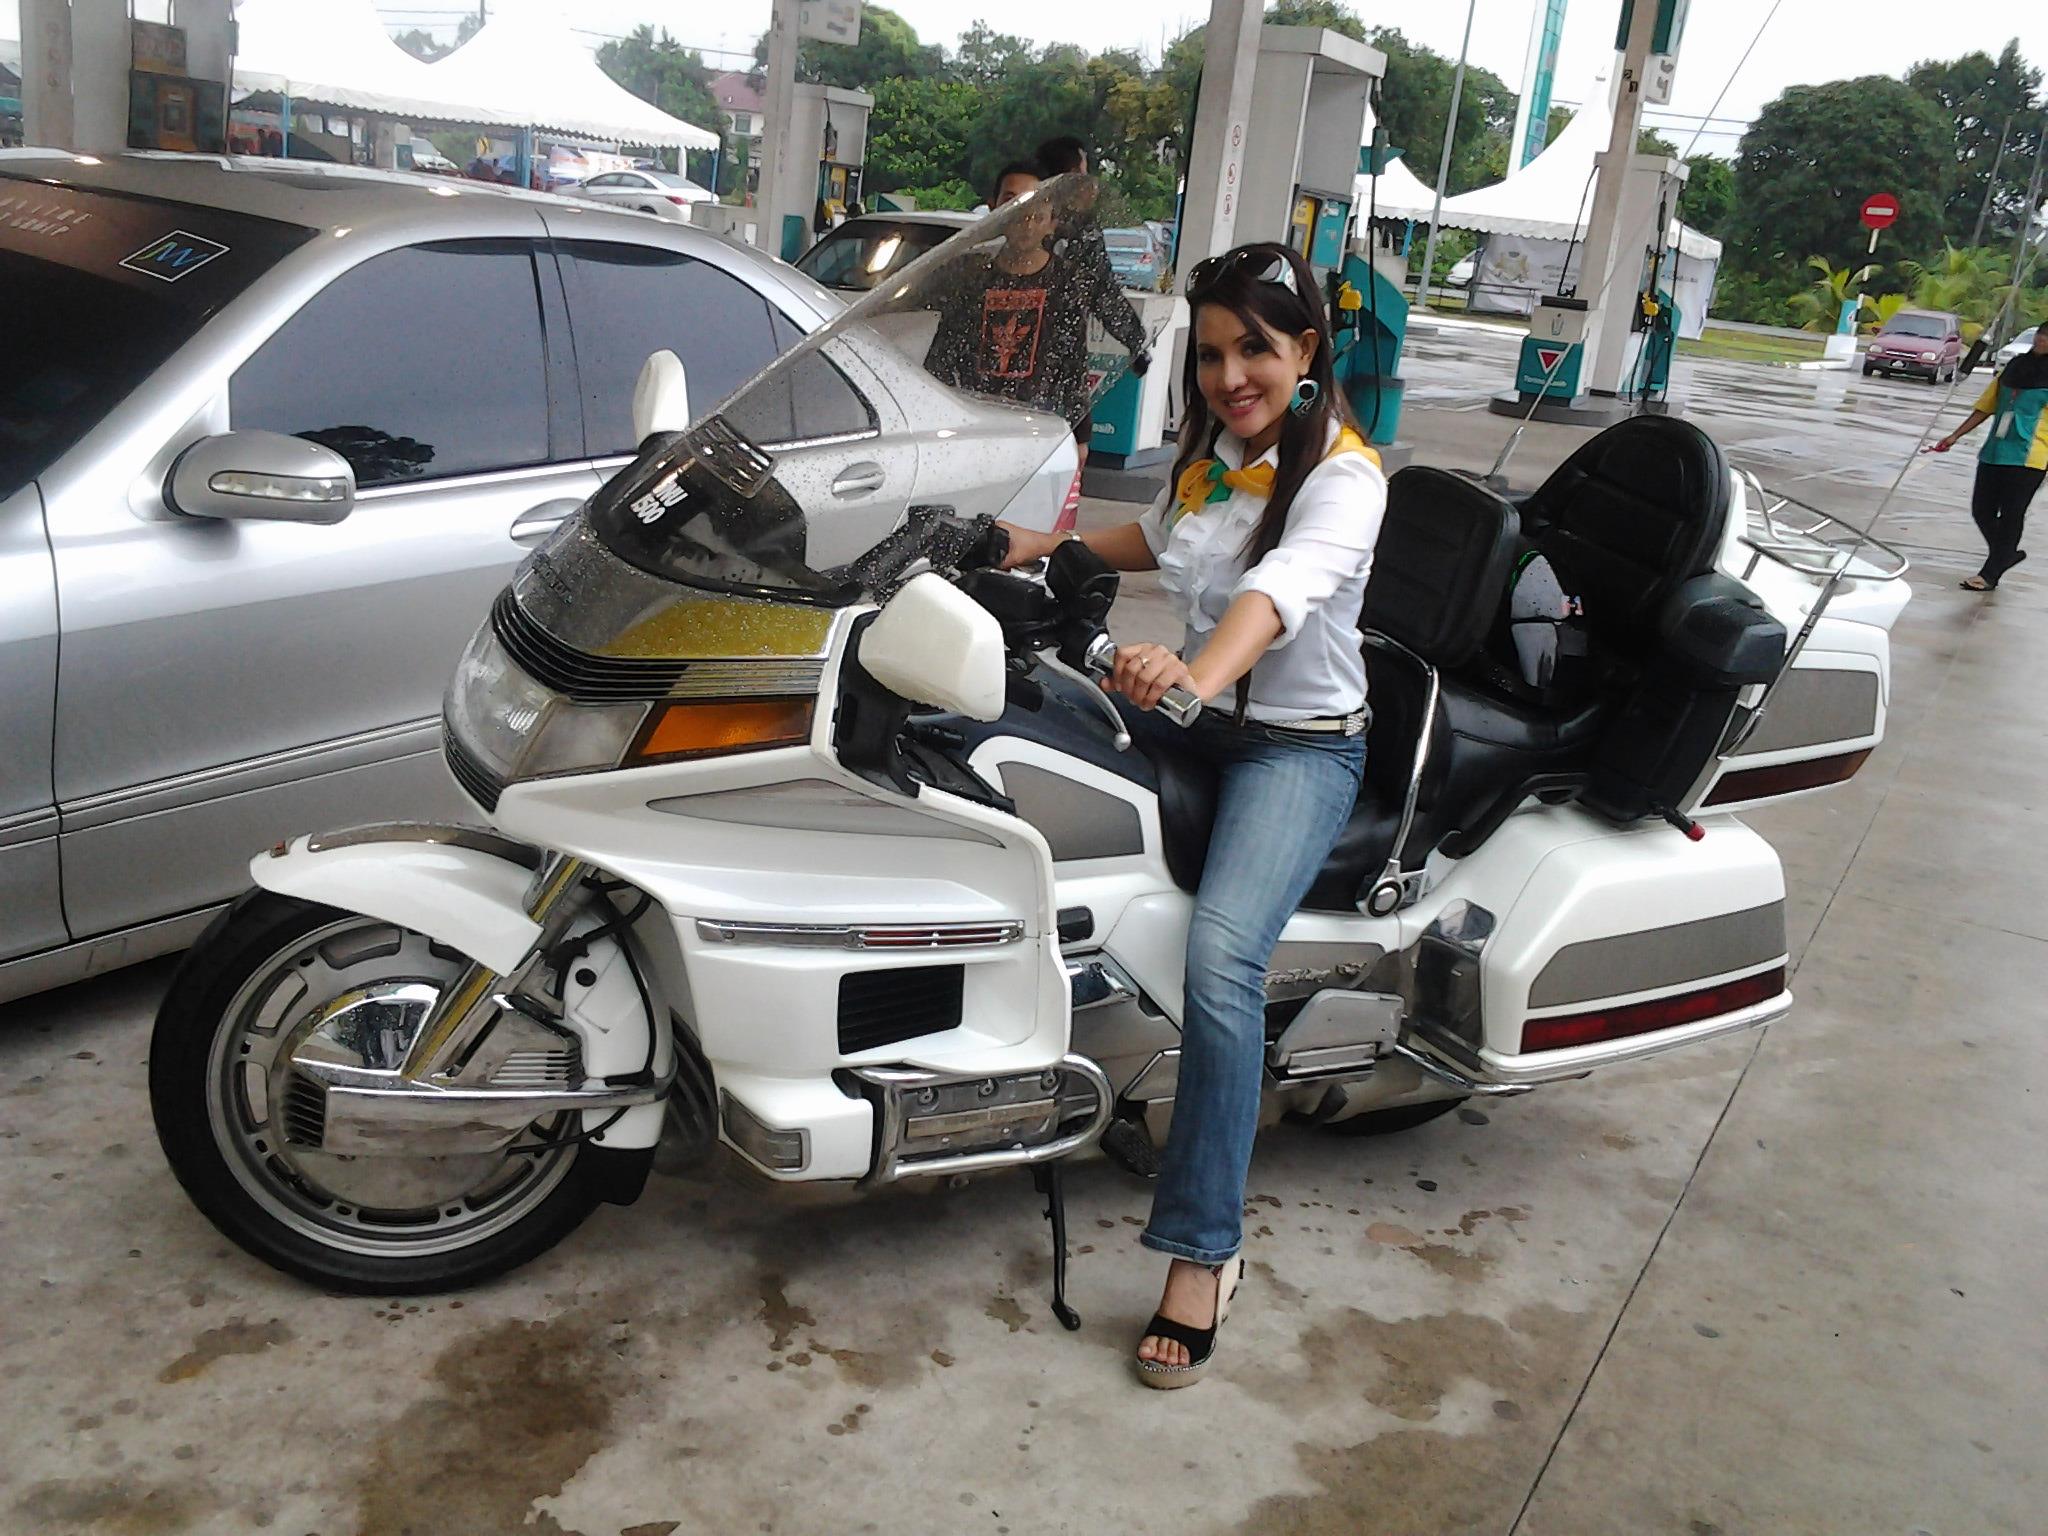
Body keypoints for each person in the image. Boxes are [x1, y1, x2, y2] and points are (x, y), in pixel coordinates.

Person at [997, 243, 1386, 1389]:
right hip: (1197, 712)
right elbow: (1165, 535)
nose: (1228, 376)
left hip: (1297, 747)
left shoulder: (1343, 479)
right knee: (1007, 737)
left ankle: (1203, 1253)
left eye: (1252, 350)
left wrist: (1193, 675)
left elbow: (1274, 596)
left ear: (1304, 349)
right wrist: (1034, 547)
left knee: (1221, 960)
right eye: (1210, 355)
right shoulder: (1220, 452)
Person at [925, 163, 1094, 429]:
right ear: (994, 210)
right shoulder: (971, 275)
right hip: (971, 420)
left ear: (1052, 221)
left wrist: (1080, 434)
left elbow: (1074, 361)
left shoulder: (1066, 281)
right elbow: (943, 353)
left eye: (1035, 206)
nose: (1024, 216)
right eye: (1012, 202)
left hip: (1036, 424)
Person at [1035, 135, 1153, 466]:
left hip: (1025, 363)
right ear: (1071, 179)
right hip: (1060, 364)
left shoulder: (1024, 222)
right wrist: (1136, 341)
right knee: (1074, 448)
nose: (1091, 186)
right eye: (1084, 174)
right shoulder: (1078, 229)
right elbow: (1102, 291)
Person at [1925, 323, 2048, 590]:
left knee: (2012, 514)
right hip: (1994, 451)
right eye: (2042, 333)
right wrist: (1955, 436)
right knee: (1981, 510)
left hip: (2030, 457)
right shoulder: (2014, 367)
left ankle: (1990, 574)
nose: (2042, 339)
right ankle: (2005, 555)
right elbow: (1986, 406)